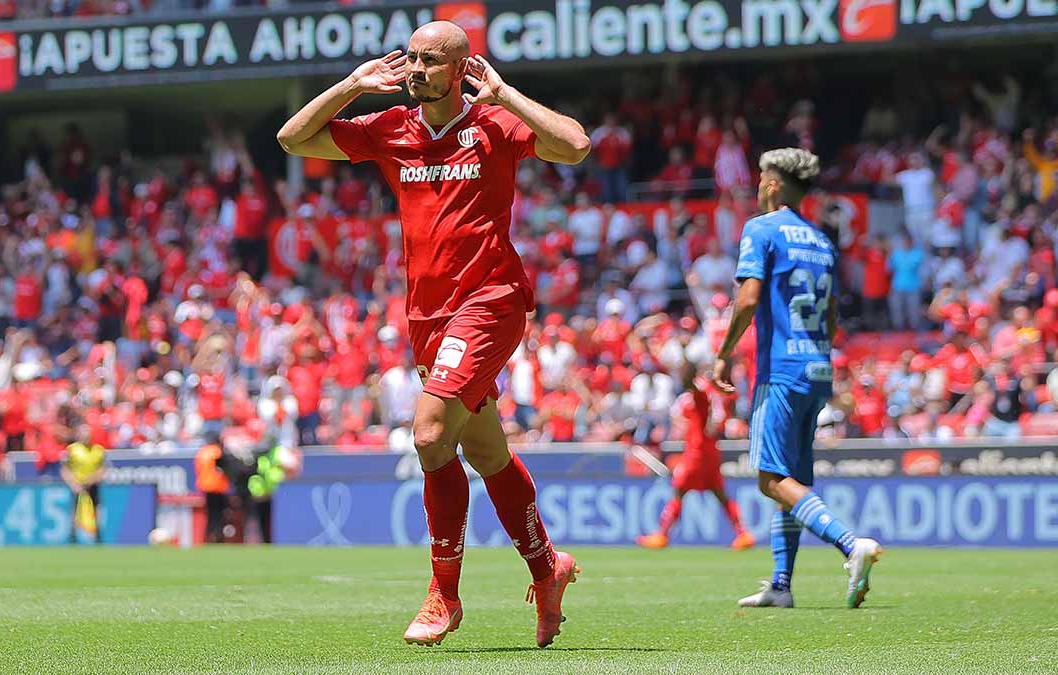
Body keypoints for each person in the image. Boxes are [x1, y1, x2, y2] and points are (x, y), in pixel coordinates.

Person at [277, 21, 589, 648]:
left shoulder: (493, 126)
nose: (413, 69)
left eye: (428, 61)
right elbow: (293, 140)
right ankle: (547, 568)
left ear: (460, 68)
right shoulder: (393, 128)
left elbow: (575, 145)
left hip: (490, 302)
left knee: (426, 434)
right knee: (486, 454)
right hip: (427, 316)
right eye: (411, 58)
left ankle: (443, 595)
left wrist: (502, 94)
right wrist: (352, 85)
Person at [713, 148, 882, 610]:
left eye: (761, 178)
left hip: (781, 370)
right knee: (793, 479)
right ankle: (781, 585)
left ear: (772, 184)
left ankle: (851, 546)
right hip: (818, 368)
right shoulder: (821, 241)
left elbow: (747, 301)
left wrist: (723, 355)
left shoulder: (761, 229)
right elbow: (829, 319)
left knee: (770, 479)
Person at [636, 361, 754, 550]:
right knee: (720, 494)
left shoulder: (700, 393)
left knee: (679, 490)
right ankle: (743, 533)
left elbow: (695, 393)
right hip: (711, 450)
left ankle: (661, 535)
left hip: (697, 452)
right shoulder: (710, 395)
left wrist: (687, 375)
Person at [61, 424, 106, 545]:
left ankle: (98, 535)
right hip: (77, 484)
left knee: (96, 508)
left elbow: (102, 469)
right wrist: (73, 483)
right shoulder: (72, 449)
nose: (86, 436)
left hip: (92, 484)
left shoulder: (98, 450)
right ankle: (72, 535)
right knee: (74, 510)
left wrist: (92, 479)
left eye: (88, 434)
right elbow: (65, 469)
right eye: (83, 433)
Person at [195, 434, 230, 544]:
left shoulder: (202, 452)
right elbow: (222, 468)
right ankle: (217, 536)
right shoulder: (217, 451)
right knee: (218, 513)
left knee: (210, 513)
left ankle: (209, 536)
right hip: (217, 486)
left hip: (205, 485)